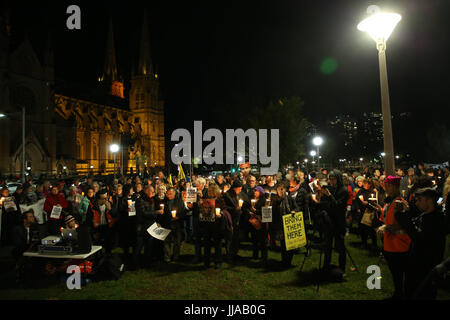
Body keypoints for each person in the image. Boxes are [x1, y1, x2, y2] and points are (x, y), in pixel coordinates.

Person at [394, 187, 448, 299]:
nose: (417, 203)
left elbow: (419, 239)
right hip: (416, 265)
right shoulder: (424, 216)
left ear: (430, 201)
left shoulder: (436, 220)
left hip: (425, 268)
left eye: (419, 200)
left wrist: (405, 219)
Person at [376, 176, 412, 300]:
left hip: (399, 244)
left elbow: (403, 222)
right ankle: (399, 293)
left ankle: (400, 294)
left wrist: (386, 228)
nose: (386, 188)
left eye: (389, 185)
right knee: (395, 273)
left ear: (396, 187)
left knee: (399, 273)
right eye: (386, 185)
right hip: (391, 243)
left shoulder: (399, 202)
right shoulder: (390, 201)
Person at [314, 170, 349, 273]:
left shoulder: (343, 190)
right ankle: (326, 265)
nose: (331, 181)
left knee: (340, 246)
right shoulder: (330, 188)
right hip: (329, 221)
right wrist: (320, 198)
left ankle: (342, 268)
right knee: (327, 245)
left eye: (333, 179)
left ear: (338, 179)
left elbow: (338, 205)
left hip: (339, 221)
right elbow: (325, 203)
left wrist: (329, 196)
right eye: (330, 179)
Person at [196, 183, 225, 268]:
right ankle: (207, 261)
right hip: (207, 224)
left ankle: (218, 261)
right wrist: (199, 205)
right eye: (209, 190)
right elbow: (200, 211)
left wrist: (221, 214)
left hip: (217, 225)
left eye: (211, 191)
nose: (209, 192)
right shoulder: (205, 199)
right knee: (206, 243)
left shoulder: (220, 200)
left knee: (217, 244)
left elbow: (224, 210)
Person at [271, 184, 298, 267]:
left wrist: (294, 211)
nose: (281, 191)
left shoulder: (289, 198)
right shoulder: (275, 199)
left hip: (289, 223)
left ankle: (288, 261)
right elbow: (272, 210)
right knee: (283, 243)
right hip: (280, 224)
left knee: (289, 244)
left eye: (282, 189)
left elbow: (296, 207)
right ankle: (283, 260)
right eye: (279, 189)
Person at [134, 185, 158, 268]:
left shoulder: (152, 200)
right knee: (139, 246)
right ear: (147, 191)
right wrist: (156, 213)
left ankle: (147, 262)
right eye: (152, 191)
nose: (153, 193)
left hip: (150, 226)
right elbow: (143, 213)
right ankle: (136, 264)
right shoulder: (140, 200)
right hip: (142, 226)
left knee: (149, 246)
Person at [224, 179, 247, 261]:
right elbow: (225, 207)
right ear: (234, 188)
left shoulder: (238, 194)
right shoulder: (227, 195)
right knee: (230, 237)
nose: (240, 190)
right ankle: (229, 255)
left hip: (238, 219)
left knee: (236, 237)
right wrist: (235, 208)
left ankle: (235, 253)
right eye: (239, 188)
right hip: (230, 219)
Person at [86, 189, 114, 254]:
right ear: (98, 199)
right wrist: (93, 232)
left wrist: (110, 209)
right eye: (103, 198)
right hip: (97, 228)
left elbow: (115, 215)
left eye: (106, 198)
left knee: (108, 246)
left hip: (107, 227)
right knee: (97, 247)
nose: (106, 200)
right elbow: (88, 220)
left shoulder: (109, 204)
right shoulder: (92, 206)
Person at [117, 184, 137, 268]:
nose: (132, 191)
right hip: (125, 223)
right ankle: (126, 256)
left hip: (133, 221)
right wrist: (126, 210)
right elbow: (120, 210)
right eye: (131, 189)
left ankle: (133, 257)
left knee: (133, 240)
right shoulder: (122, 199)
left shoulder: (134, 198)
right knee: (126, 241)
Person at [249, 186, 268, 266]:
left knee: (262, 240)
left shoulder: (263, 200)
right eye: (254, 191)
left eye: (256, 191)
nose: (255, 193)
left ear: (260, 192)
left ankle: (264, 256)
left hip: (261, 222)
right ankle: (255, 255)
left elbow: (265, 210)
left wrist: (256, 211)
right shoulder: (254, 200)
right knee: (255, 240)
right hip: (255, 222)